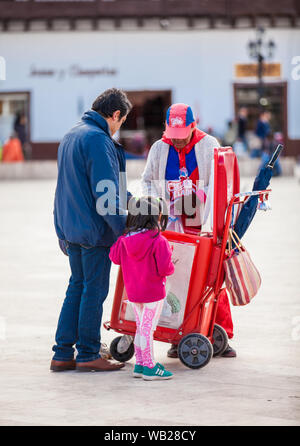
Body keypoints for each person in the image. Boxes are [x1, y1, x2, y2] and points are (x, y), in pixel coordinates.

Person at [141, 103, 236, 358]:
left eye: (182, 136)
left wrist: (202, 198)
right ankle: (178, 335)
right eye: (174, 136)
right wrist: (156, 206)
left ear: (193, 126)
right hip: (170, 226)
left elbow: (222, 182)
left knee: (212, 277)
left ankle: (219, 332)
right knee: (175, 280)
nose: (178, 142)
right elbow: (147, 181)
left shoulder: (209, 146)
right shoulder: (159, 148)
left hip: (201, 225)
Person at [51, 88, 132, 373]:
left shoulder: (72, 134)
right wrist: (123, 229)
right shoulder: (98, 140)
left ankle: (62, 353)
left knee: (76, 288)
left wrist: (60, 228)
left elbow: (63, 187)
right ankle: (87, 353)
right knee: (93, 291)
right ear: (116, 114)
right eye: (121, 122)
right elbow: (106, 193)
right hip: (95, 232)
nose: (118, 128)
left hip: (71, 228)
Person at [109, 196, 175, 380]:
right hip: (153, 293)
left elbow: (114, 258)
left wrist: (122, 237)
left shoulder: (125, 240)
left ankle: (140, 363)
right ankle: (150, 366)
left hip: (134, 293)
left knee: (141, 327)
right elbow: (165, 269)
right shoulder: (158, 241)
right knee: (147, 329)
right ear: (154, 217)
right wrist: (170, 256)